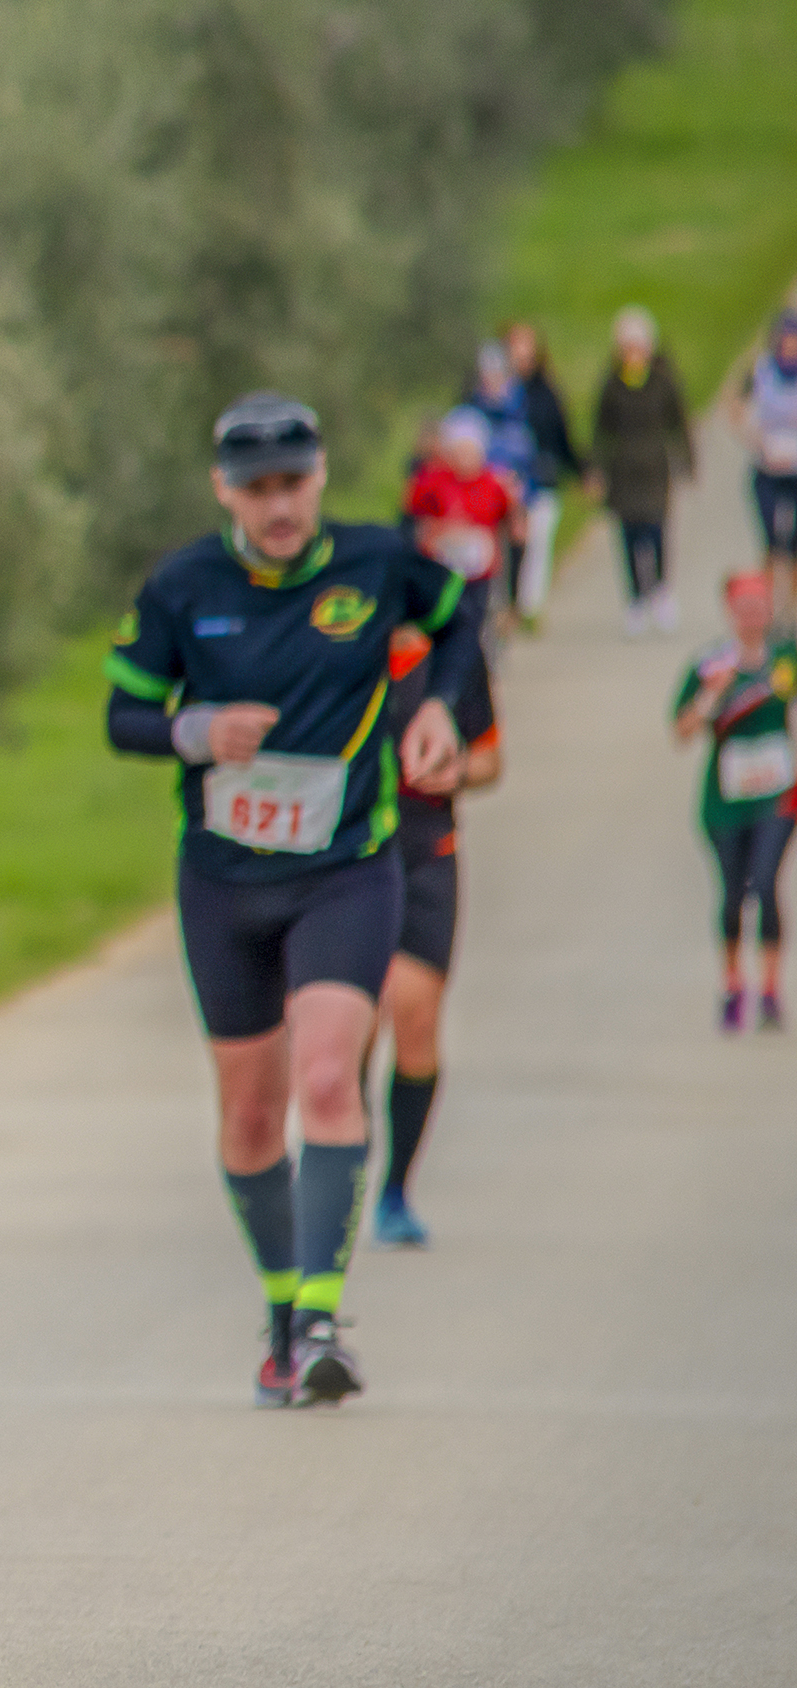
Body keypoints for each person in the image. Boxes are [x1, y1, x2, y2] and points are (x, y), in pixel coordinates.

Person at [104, 392, 472, 1409]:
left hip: (346, 867)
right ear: (225, 489)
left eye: (294, 484)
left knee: (324, 1079)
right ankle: (281, 1308)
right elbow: (123, 711)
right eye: (257, 488)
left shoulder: (375, 562)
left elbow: (457, 614)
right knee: (252, 1112)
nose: (278, 505)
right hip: (223, 882)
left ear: (320, 478)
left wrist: (441, 701)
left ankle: (319, 1318)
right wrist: (194, 729)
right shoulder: (185, 585)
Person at [370, 626, 503, 1249]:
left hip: (427, 858)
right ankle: (337, 1171)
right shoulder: (338, 643)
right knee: (351, 1028)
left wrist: (451, 773)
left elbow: (491, 760)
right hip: (350, 864)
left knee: (415, 1025)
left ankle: (396, 1188)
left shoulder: (450, 659)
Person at [670, 573, 797, 1031]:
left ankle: (769, 990)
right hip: (725, 801)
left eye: (759, 606)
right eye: (743, 608)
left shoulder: (786, 657)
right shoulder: (710, 664)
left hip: (778, 796)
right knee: (731, 898)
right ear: (730, 612)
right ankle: (731, 983)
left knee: (765, 884)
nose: (752, 616)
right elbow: (680, 732)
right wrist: (711, 695)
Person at [589, 306, 693, 636]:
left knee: (657, 530)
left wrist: (687, 461)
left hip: (654, 467)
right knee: (629, 535)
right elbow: (600, 429)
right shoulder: (612, 384)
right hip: (623, 469)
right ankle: (635, 598)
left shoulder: (663, 381)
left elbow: (679, 422)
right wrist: (595, 468)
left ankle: (660, 590)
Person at [466, 326, 579, 625]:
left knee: (526, 548)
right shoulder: (474, 405)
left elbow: (548, 440)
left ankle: (521, 607)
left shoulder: (529, 399)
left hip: (524, 489)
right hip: (484, 494)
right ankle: (500, 607)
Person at [403, 408, 523, 636]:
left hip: (482, 575)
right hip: (443, 572)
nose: (465, 458)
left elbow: (512, 523)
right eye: (459, 451)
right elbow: (413, 516)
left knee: (478, 628)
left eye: (470, 451)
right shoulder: (433, 481)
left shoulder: (494, 483)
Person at [717, 310, 797, 628]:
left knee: (794, 545)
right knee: (770, 543)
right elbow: (732, 403)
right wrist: (753, 439)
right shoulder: (762, 370)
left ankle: (790, 608)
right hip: (767, 468)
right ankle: (765, 607)